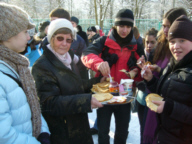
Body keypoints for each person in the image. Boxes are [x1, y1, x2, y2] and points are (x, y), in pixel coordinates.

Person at [32, 19, 104, 144]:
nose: (64, 43)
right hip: (63, 131)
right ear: (51, 38)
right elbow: (49, 103)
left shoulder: (68, 57)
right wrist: (85, 101)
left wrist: (98, 81)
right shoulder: (42, 66)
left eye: (69, 40)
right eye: (60, 38)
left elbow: (75, 85)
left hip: (79, 124)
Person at [81, 9, 144, 144]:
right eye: (121, 26)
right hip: (105, 96)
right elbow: (86, 54)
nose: (124, 30)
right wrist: (99, 64)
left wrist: (136, 70)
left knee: (122, 132)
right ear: (115, 25)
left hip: (124, 97)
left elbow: (141, 69)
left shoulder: (136, 45)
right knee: (103, 132)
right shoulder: (103, 41)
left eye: (128, 27)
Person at [0, 3, 50, 144]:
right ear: (7, 34)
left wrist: (43, 132)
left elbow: (31, 108)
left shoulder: (17, 66)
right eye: (25, 32)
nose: (29, 38)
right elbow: (4, 136)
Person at [136, 7, 188, 144]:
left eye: (181, 40)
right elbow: (168, 84)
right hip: (154, 99)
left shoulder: (179, 57)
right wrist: (150, 76)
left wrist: (159, 70)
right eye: (164, 26)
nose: (165, 30)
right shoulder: (162, 46)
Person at [136, 28, 158, 144]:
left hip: (153, 99)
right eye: (147, 42)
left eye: (152, 42)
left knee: (149, 130)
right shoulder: (141, 55)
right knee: (142, 128)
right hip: (141, 99)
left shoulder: (160, 56)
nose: (149, 45)